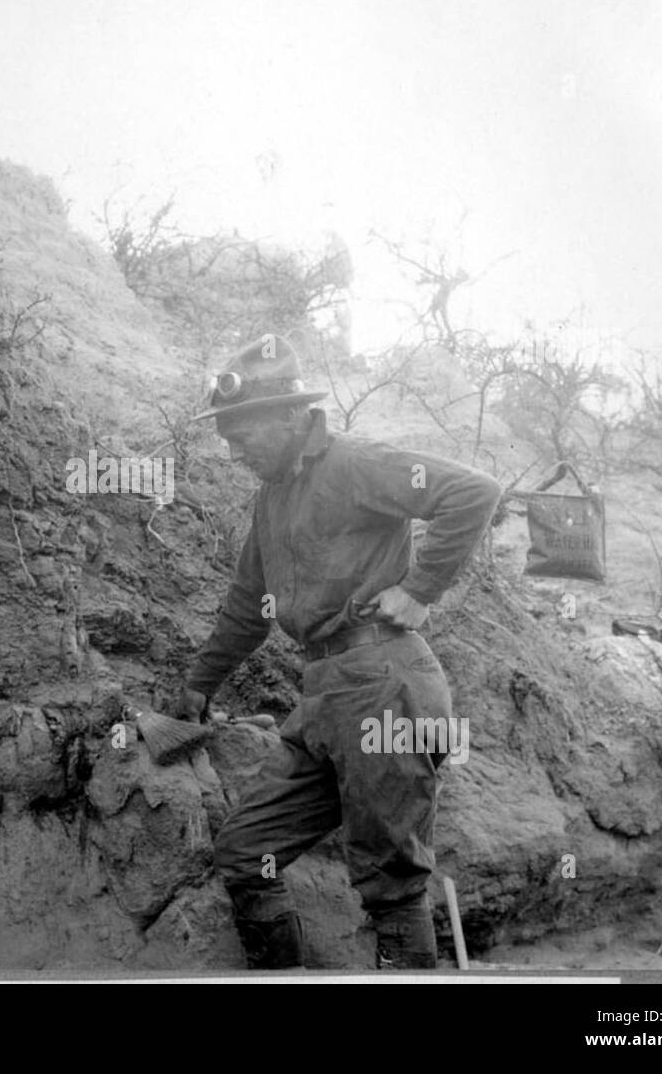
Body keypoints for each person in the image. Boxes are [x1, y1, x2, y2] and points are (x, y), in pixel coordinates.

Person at [181, 335, 501, 970]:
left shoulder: (355, 464)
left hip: (385, 684)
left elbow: (475, 493)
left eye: (241, 435)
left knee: (391, 881)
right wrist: (200, 683)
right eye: (225, 437)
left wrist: (418, 589)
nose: (233, 449)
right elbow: (250, 604)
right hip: (325, 696)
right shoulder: (270, 500)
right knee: (248, 852)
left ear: (289, 416)